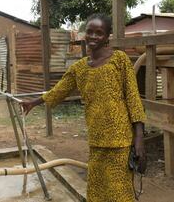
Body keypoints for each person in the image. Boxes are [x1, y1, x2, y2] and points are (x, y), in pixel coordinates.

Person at [21, 13, 146, 202]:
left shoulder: (120, 60)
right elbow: (58, 91)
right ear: (84, 34)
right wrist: (33, 103)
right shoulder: (79, 68)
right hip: (96, 140)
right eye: (90, 32)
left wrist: (139, 139)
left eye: (99, 33)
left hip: (120, 141)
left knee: (121, 193)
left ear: (107, 36)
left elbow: (133, 99)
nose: (93, 36)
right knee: (96, 192)